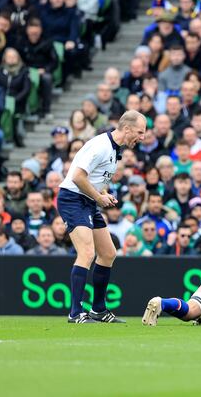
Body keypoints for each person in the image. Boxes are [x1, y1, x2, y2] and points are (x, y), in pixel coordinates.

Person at [57, 110, 146, 323]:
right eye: (140, 132)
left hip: (88, 200)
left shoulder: (114, 149)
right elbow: (77, 177)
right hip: (73, 198)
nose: (142, 137)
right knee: (87, 253)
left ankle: (98, 310)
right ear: (127, 129)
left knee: (108, 253)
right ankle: (75, 313)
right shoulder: (101, 146)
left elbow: (95, 178)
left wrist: (103, 193)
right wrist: (98, 197)